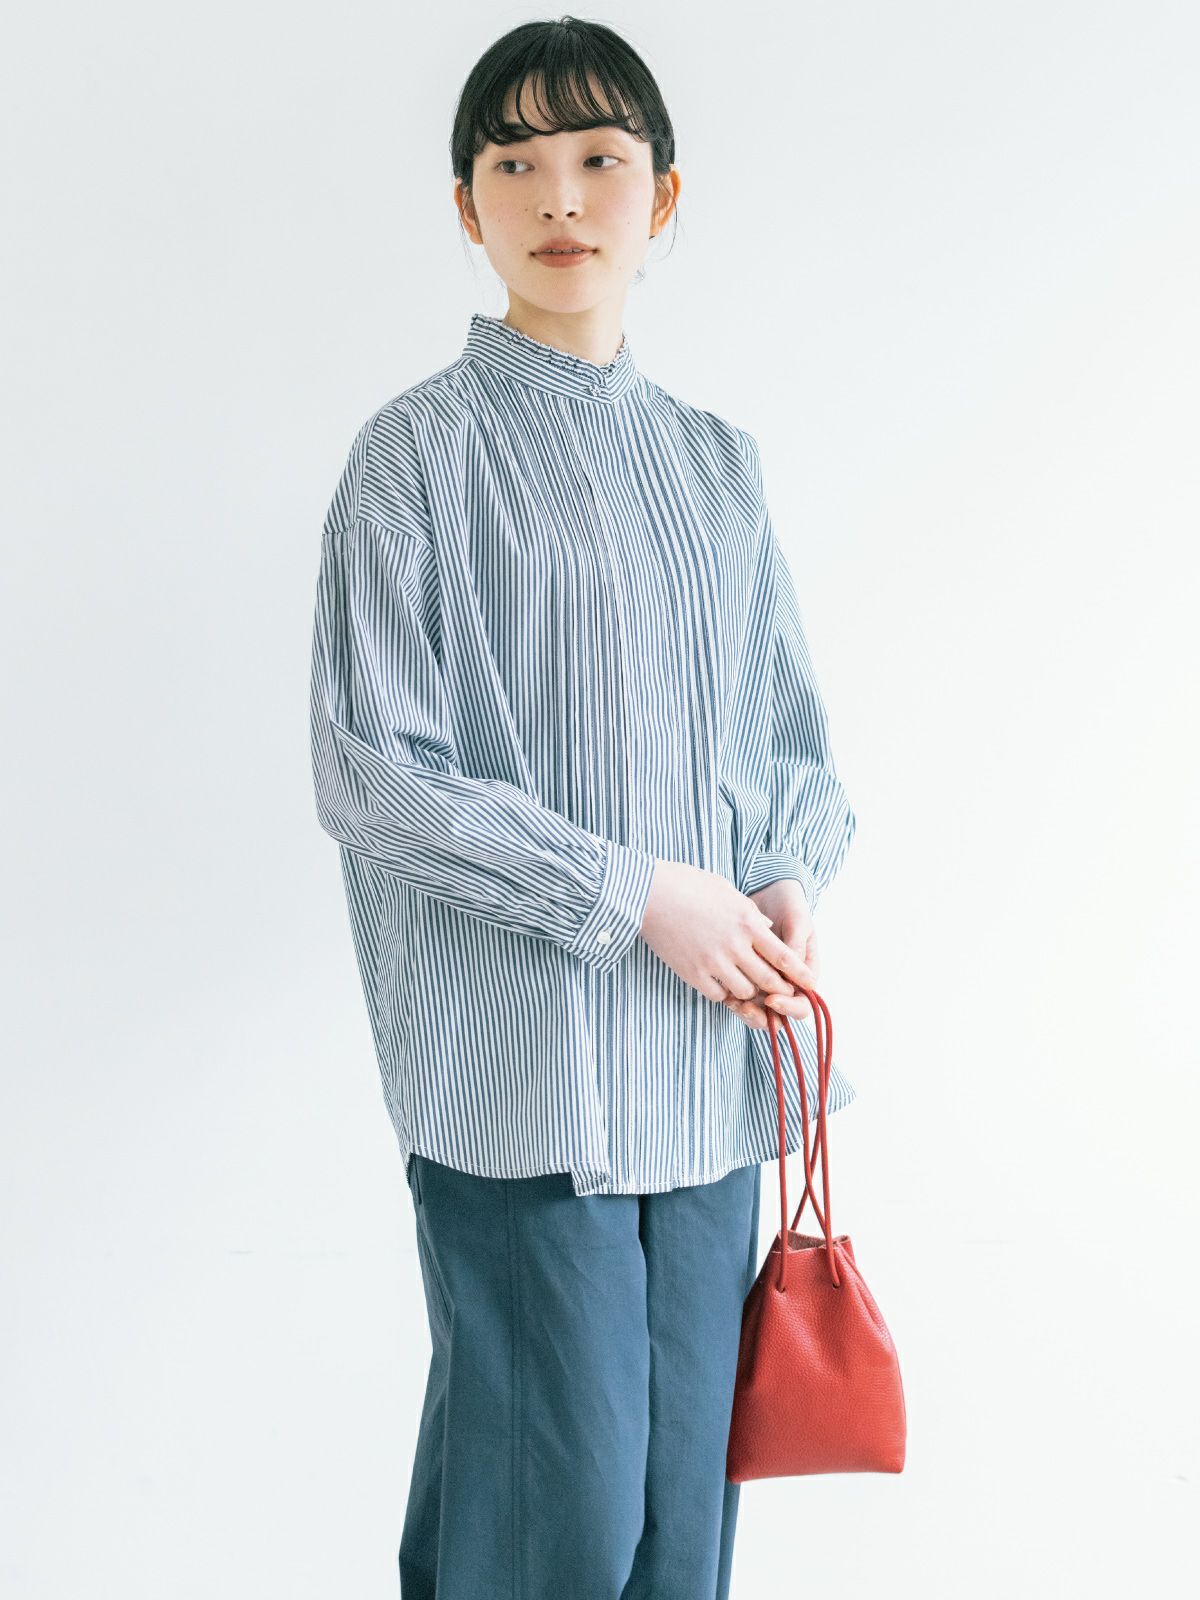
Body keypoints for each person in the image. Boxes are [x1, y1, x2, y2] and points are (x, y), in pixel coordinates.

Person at [309, 17, 858, 1599]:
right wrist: (638, 895)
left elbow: (791, 744)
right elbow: (371, 771)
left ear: (662, 198)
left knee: (679, 1538)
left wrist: (778, 881)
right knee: (553, 1529)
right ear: (466, 206)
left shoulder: (717, 466)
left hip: (702, 1083)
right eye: (515, 161)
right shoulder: (413, 456)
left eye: (600, 158)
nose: (560, 195)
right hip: (522, 1090)